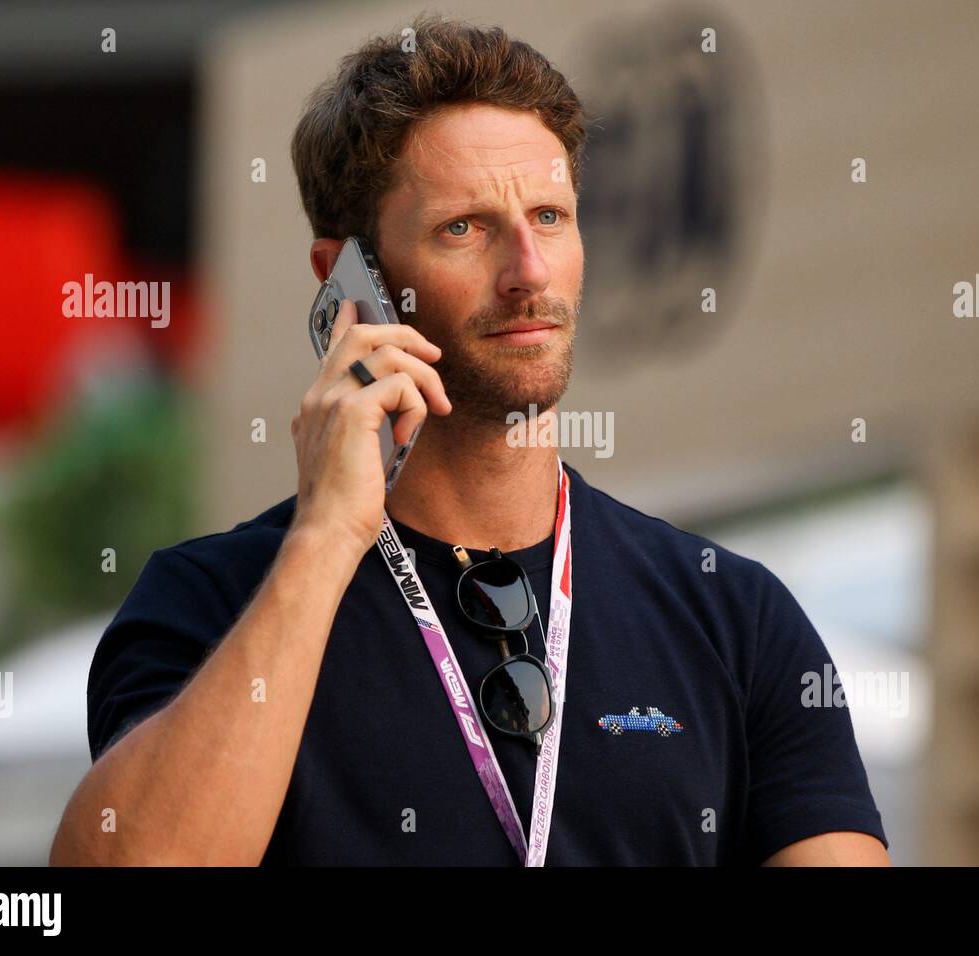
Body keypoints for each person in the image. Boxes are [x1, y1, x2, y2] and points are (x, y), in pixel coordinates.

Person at [49, 13, 890, 867]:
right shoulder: (207, 601)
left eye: (552, 217)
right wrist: (326, 537)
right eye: (466, 228)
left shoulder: (734, 615)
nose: (528, 271)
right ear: (349, 283)